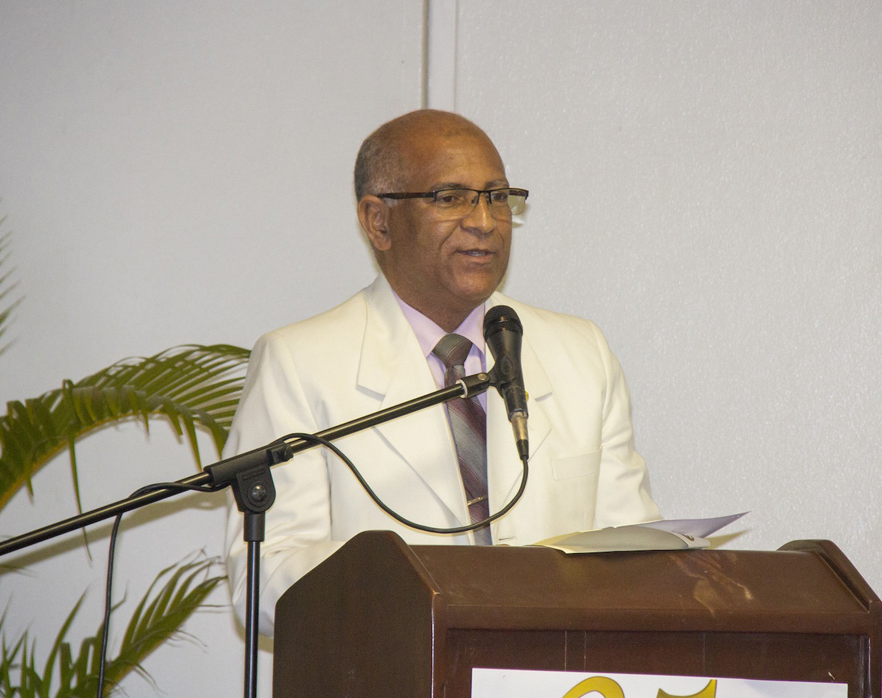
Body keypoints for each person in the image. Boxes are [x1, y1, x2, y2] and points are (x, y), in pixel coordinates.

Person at [224, 109, 659, 636]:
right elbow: (265, 580)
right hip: (396, 665)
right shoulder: (300, 363)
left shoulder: (581, 354)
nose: (484, 222)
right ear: (378, 221)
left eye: (497, 197)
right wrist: (431, 588)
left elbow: (635, 559)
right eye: (450, 198)